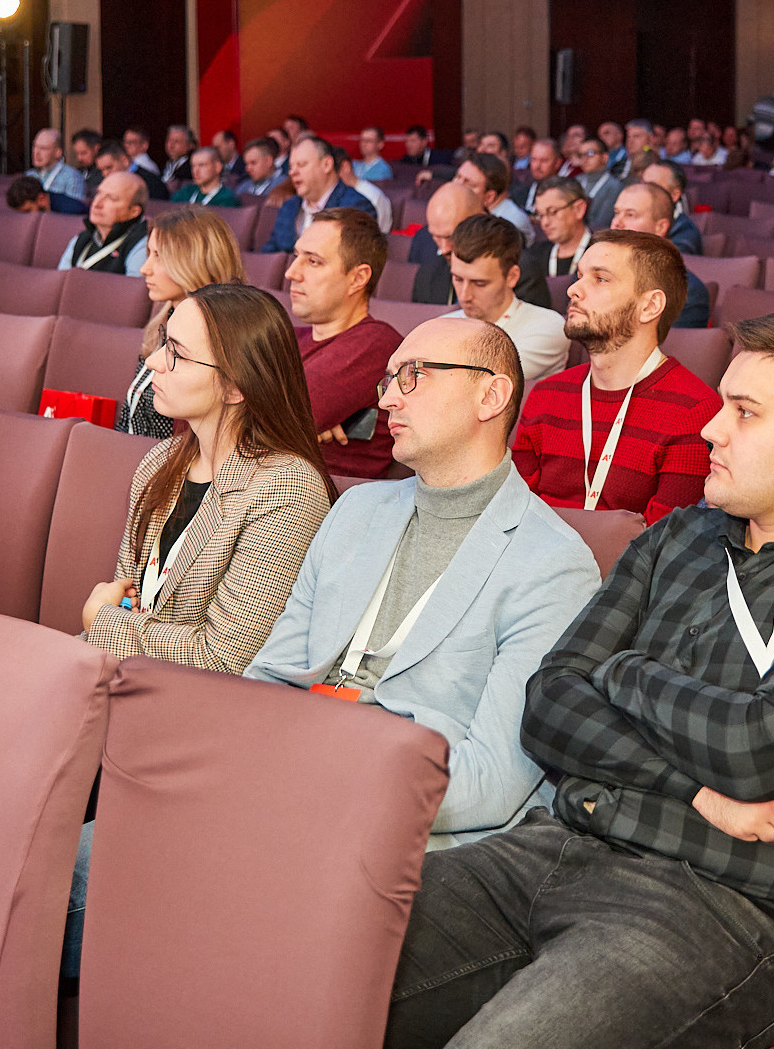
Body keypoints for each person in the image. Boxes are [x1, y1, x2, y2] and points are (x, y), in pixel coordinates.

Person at [386, 308, 774, 1049]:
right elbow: (548, 705)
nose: (711, 430)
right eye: (720, 406)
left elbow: (760, 747)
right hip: (555, 847)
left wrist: (625, 671)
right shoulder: (683, 535)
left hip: (718, 902)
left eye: (743, 413)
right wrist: (697, 789)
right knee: (308, 948)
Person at [247, 310, 597, 844]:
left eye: (413, 375)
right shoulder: (354, 510)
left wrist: (321, 788)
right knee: (98, 855)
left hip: (393, 823)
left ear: (491, 397)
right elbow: (270, 675)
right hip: (281, 770)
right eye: (389, 380)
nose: (387, 399)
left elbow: (493, 779)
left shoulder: (552, 564)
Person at [78, 282, 333, 669]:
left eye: (177, 354)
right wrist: (109, 622)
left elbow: (223, 659)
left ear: (234, 386)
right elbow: (127, 596)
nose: (154, 362)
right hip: (126, 679)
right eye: (165, 342)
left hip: (205, 710)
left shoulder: (286, 488)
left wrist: (101, 620)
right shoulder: (160, 461)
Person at [511, 230, 718, 523]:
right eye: (579, 276)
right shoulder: (546, 394)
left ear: (649, 306)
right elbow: (513, 515)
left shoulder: (694, 411)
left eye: (600, 279)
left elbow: (661, 544)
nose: (574, 290)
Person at [277, 207, 401, 481]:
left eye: (313, 262)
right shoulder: (285, 338)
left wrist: (281, 419)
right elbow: (196, 417)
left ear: (358, 278)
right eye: (297, 256)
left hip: (319, 509)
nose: (291, 273)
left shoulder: (376, 345)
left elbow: (262, 424)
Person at [117, 208, 245, 440]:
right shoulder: (165, 320)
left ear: (194, 262)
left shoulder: (217, 335)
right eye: (149, 254)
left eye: (159, 256)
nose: (145, 269)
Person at [447, 213, 569, 388]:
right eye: (458, 279)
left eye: (480, 283)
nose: (465, 295)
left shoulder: (547, 326)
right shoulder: (444, 324)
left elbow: (480, 382)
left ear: (512, 276)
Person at [608, 182, 712, 329]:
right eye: (617, 213)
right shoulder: (592, 270)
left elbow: (670, 349)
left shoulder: (686, 295)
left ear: (660, 227)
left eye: (630, 214)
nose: (616, 223)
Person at [263, 136, 378, 253]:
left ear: (327, 165)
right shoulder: (289, 207)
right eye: (291, 167)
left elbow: (352, 262)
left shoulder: (356, 208)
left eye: (301, 165)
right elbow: (270, 256)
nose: (293, 172)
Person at [517, 175, 593, 304]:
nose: (545, 223)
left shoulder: (599, 251)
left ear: (579, 209)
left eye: (552, 212)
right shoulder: (535, 255)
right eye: (540, 215)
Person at [60, 171, 151, 276]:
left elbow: (133, 290)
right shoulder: (81, 239)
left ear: (134, 212)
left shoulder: (145, 244)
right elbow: (60, 283)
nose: (97, 204)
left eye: (112, 198)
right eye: (98, 193)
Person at [410, 183, 479, 305]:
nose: (444, 249)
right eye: (436, 236)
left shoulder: (517, 267)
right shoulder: (426, 275)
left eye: (451, 237)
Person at [455, 152, 532, 243]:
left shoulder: (509, 225)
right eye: (458, 176)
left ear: (489, 197)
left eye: (469, 184)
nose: (457, 185)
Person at [638, 160, 705, 254]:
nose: (641, 191)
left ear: (674, 195)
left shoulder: (685, 233)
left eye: (652, 186)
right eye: (642, 184)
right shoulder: (629, 219)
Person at [29, 128, 86, 201]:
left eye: (43, 148)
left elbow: (76, 209)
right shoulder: (30, 175)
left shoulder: (72, 177)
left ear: (58, 152)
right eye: (35, 146)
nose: (36, 152)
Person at [171, 146, 240, 207]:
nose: (195, 171)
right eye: (193, 166)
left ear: (217, 167)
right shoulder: (186, 193)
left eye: (202, 165)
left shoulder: (227, 199)